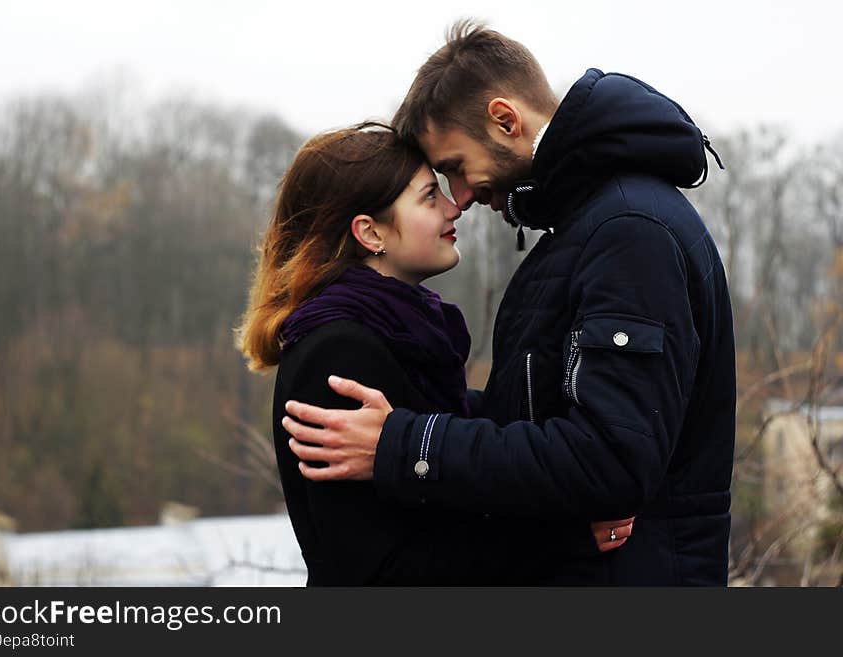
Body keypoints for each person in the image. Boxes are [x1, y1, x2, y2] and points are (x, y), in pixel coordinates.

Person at [283, 22, 736, 585]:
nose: (463, 198)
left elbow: (613, 457)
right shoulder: (585, 228)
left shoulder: (627, 232)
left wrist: (407, 443)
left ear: (504, 119)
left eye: (452, 168)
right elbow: (541, 413)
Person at [236, 123, 632, 585]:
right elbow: (380, 571)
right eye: (429, 197)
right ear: (369, 231)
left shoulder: (397, 335)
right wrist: (562, 539)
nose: (454, 207)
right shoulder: (338, 354)